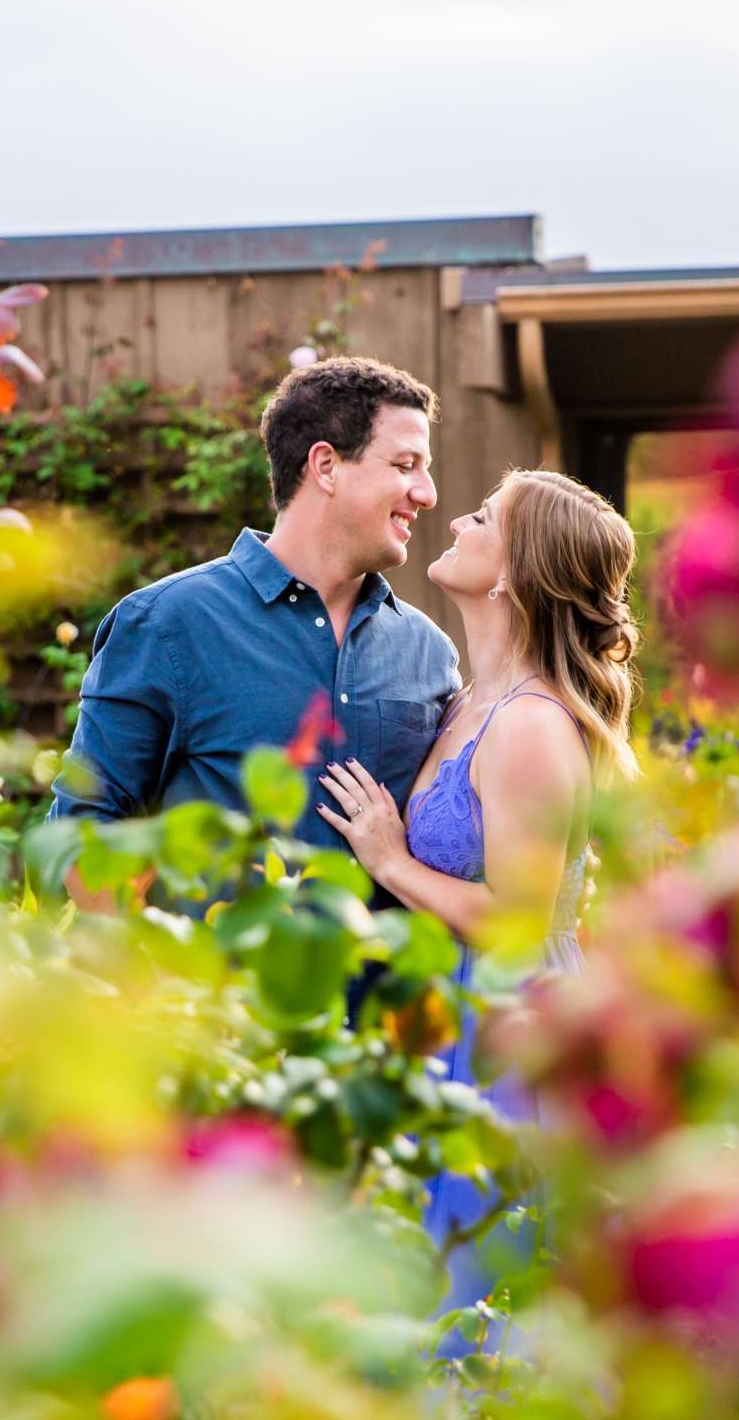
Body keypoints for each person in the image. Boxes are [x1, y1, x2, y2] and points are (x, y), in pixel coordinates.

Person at [313, 468, 640, 1353]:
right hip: (450, 1015)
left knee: (483, 1293)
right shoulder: (468, 702)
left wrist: (387, 858)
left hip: (506, 1034)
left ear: (514, 573)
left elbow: (521, 923)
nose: (457, 517)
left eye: (486, 516)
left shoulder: (531, 724)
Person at [47, 356, 461, 891]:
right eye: (406, 466)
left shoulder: (428, 652)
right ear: (326, 466)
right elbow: (81, 834)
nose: (427, 493)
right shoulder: (167, 624)